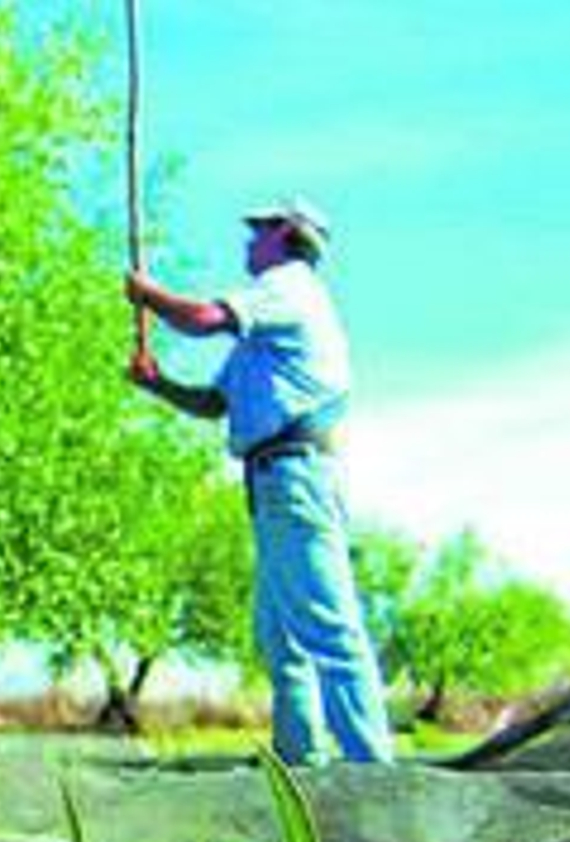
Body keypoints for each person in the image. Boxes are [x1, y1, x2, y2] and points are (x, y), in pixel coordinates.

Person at [124, 196, 394, 765]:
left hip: (297, 474)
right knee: (283, 640)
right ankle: (300, 763)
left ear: (285, 236)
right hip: (272, 482)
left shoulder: (290, 286)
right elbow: (213, 403)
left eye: (258, 231)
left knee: (328, 626)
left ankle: (374, 771)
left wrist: (148, 294)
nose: (248, 241)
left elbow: (201, 319)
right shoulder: (262, 332)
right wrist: (158, 383)